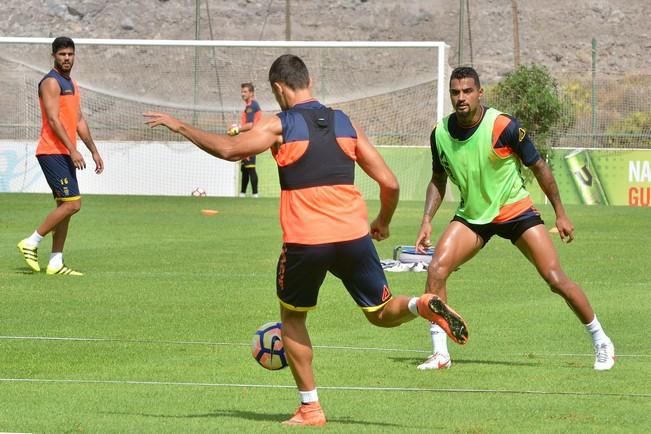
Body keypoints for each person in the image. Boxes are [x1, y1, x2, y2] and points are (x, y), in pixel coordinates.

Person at [145, 54, 469, 427]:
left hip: (307, 240)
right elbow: (390, 183)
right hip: (353, 235)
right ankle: (422, 304)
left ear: (279, 89)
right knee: (380, 313)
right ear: (309, 80)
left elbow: (229, 150)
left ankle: (310, 408)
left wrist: (181, 125)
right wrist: (382, 220)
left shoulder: (281, 124)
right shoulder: (344, 122)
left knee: (292, 318)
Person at [414, 66, 615, 371]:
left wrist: (561, 213)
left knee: (555, 279)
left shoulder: (503, 126)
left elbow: (539, 168)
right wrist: (427, 219)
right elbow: (438, 178)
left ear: (480, 92)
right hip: (474, 217)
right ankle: (440, 353)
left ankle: (601, 340)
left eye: (467, 91)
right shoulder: (440, 133)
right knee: (437, 270)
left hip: (516, 212)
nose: (461, 98)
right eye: (455, 92)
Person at [17, 36, 104, 276]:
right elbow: (54, 120)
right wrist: (73, 149)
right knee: (73, 204)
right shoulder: (50, 83)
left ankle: (56, 263)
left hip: (65, 152)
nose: (67, 58)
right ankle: (31, 241)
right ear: (53, 55)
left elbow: (78, 120)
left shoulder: (72, 84)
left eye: (70, 54)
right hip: (51, 151)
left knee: (63, 208)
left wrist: (93, 150)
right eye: (62, 54)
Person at [230, 82, 262, 198]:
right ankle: (242, 194)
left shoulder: (251, 107)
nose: (242, 94)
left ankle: (255, 195)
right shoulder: (249, 106)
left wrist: (237, 129)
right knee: (245, 168)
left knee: (250, 168)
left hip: (251, 140)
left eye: (245, 92)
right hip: (248, 139)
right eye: (242, 91)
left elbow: (250, 125)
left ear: (251, 93)